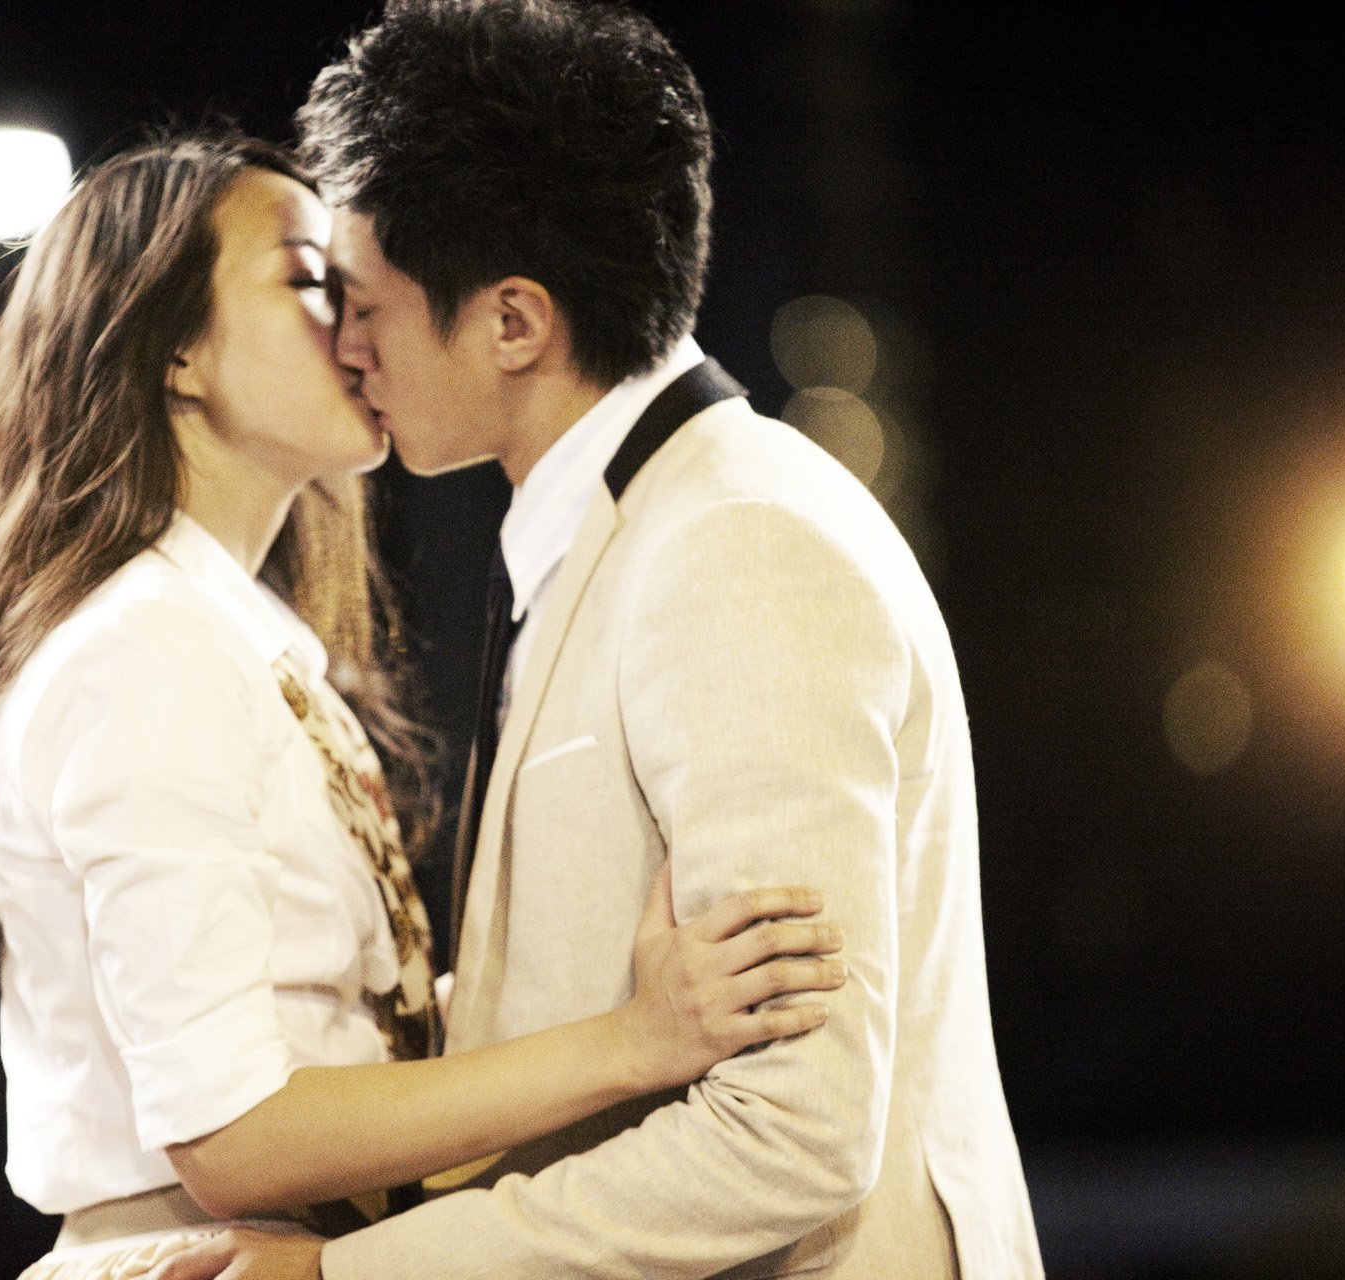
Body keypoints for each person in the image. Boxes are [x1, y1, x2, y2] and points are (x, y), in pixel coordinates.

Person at [0, 129, 849, 1280]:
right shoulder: (143, 650)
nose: (359, 324)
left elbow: (339, 1027)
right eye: (308, 280)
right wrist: (632, 1039)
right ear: (176, 349)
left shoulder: (236, 637)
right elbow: (234, 1135)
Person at [161, 2, 1046, 1278]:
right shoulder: (632, 527)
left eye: (367, 305)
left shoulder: (737, 546)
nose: (346, 349)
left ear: (515, 322)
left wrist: (342, 1274)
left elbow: (793, 1133)